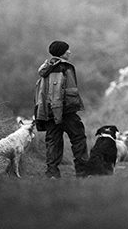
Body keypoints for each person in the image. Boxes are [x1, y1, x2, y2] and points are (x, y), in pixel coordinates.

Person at [34, 40, 88, 178]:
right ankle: (82, 172)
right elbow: (70, 91)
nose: (69, 52)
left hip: (49, 112)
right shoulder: (66, 67)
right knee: (78, 138)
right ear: (62, 52)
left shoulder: (45, 70)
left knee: (53, 141)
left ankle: (52, 173)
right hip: (66, 111)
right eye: (67, 50)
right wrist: (72, 109)